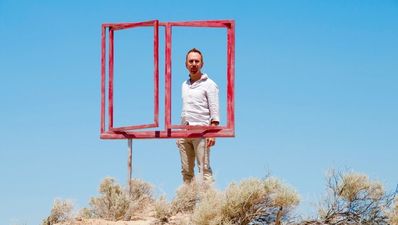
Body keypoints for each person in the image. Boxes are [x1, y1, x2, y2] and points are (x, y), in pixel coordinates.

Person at [176, 48, 220, 184]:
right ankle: (188, 203)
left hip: (201, 132)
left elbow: (215, 112)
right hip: (185, 131)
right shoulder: (184, 85)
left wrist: (212, 134)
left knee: (204, 169)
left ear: (202, 64)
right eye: (191, 61)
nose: (193, 64)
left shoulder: (209, 84)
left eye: (196, 61)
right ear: (186, 64)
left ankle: (210, 203)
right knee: (186, 171)